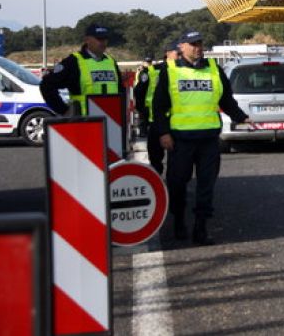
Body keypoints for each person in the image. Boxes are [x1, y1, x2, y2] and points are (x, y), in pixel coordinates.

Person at [152, 30, 249, 245]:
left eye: (200, 44)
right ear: (182, 47)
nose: (197, 48)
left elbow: (226, 99)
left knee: (206, 186)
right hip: (180, 140)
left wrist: (241, 117)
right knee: (177, 184)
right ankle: (178, 220)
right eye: (192, 44)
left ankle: (201, 228)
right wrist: (163, 133)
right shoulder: (171, 72)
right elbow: (158, 106)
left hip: (208, 140)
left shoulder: (214, 69)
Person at [40, 23, 123, 115]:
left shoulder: (111, 62)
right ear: (87, 40)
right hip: (85, 123)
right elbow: (46, 85)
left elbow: (121, 91)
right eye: (99, 39)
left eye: (105, 39)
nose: (103, 42)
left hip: (113, 122)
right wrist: (63, 110)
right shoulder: (74, 62)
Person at [134, 40, 179, 175]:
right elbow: (139, 93)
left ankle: (171, 185)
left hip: (175, 120)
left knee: (175, 159)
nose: (181, 56)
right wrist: (143, 112)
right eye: (178, 53)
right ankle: (159, 183)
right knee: (156, 157)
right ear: (168, 53)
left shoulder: (184, 70)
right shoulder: (151, 71)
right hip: (156, 121)